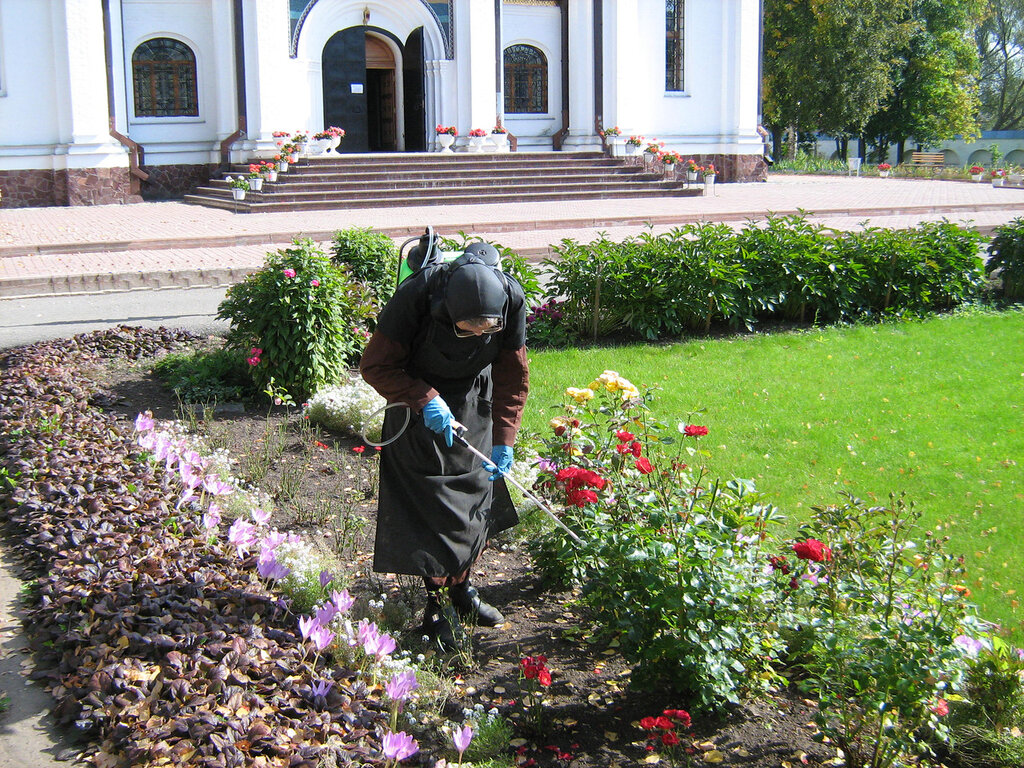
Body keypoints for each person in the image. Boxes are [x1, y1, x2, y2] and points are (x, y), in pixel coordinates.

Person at [359, 242, 529, 651]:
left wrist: (504, 441)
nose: (478, 337)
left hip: (474, 402)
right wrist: (423, 397)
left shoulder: (511, 297)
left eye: (486, 330)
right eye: (467, 328)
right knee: (431, 507)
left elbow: (513, 376)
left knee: (473, 503)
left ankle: (463, 592)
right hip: (416, 406)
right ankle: (436, 608)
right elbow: (375, 365)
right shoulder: (416, 295)